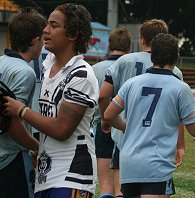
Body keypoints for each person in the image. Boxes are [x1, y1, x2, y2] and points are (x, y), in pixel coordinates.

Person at [4, 3, 98, 197]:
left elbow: (61, 129)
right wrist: (36, 151)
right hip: (47, 174)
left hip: (72, 175)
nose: (46, 30)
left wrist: (21, 111)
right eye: (47, 24)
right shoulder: (48, 68)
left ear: (72, 34)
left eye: (54, 25)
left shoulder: (81, 74)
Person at [103, 33, 195, 198]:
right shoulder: (180, 88)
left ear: (152, 57)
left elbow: (108, 115)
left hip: (129, 162)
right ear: (176, 57)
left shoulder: (132, 83)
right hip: (157, 163)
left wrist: (127, 127)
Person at [98, 19, 185, 175]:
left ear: (142, 39)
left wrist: (106, 119)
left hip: (126, 135)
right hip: (159, 140)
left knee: (123, 187)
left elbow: (103, 95)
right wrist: (180, 145)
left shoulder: (124, 61)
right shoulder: (175, 71)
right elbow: (179, 113)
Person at [0, 8, 46, 198]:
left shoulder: (1, 61)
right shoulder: (24, 72)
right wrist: (38, 147)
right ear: (35, 41)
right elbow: (12, 123)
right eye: (43, 39)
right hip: (10, 159)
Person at [92, 27, 131, 198]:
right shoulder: (133, 67)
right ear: (129, 47)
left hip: (101, 125)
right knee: (122, 185)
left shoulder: (95, 69)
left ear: (109, 45)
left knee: (106, 185)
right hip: (126, 128)